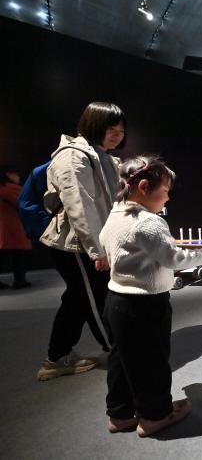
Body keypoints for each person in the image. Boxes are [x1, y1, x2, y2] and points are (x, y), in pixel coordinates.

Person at [99, 155, 202, 436]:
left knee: (121, 358)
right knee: (152, 361)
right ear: (144, 186)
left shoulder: (116, 212)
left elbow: (104, 240)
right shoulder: (149, 222)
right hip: (145, 303)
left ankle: (120, 414)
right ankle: (156, 415)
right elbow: (175, 259)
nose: (168, 197)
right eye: (166, 190)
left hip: (116, 300)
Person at [37, 102, 125, 381]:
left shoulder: (103, 157)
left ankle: (57, 356)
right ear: (94, 126)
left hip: (89, 242)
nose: (117, 135)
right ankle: (123, 355)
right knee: (96, 298)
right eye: (111, 129)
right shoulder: (73, 156)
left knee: (77, 299)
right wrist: (97, 250)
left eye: (121, 130)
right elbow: (80, 207)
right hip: (77, 245)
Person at [0, 165, 32, 289]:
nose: (18, 177)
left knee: (3, 256)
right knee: (18, 256)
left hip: (3, 227)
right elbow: (24, 204)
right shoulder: (12, 188)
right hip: (13, 226)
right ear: (8, 174)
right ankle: (19, 281)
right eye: (16, 174)